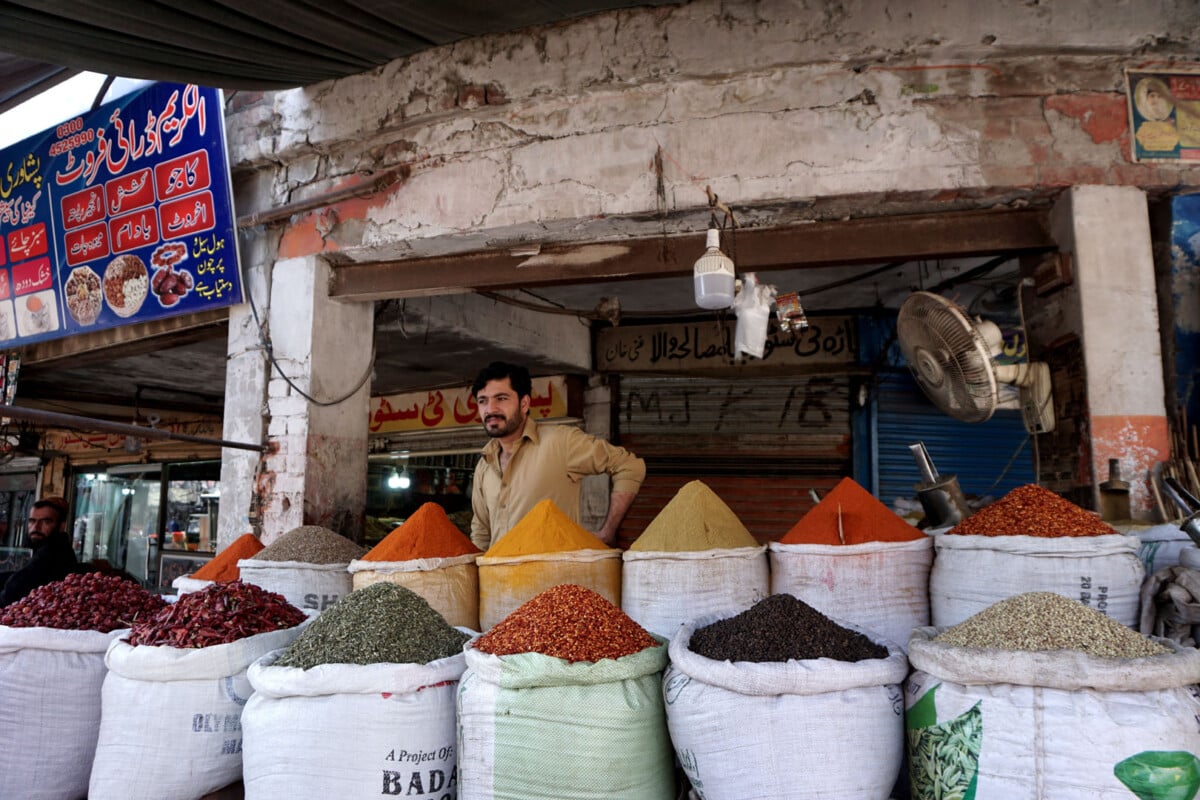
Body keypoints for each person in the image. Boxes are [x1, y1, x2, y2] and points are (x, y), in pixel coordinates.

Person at [469, 361, 645, 550]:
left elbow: (629, 466)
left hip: (554, 577)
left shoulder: (562, 442)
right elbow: (481, 532)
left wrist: (608, 531)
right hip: (499, 578)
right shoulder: (484, 465)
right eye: (483, 401)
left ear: (524, 403)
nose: (490, 409)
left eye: (501, 398)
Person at [0, 497, 78, 606]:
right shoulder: (41, 548)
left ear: (61, 526)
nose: (36, 527)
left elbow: (15, 588)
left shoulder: (54, 552)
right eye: (32, 521)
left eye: (46, 521)